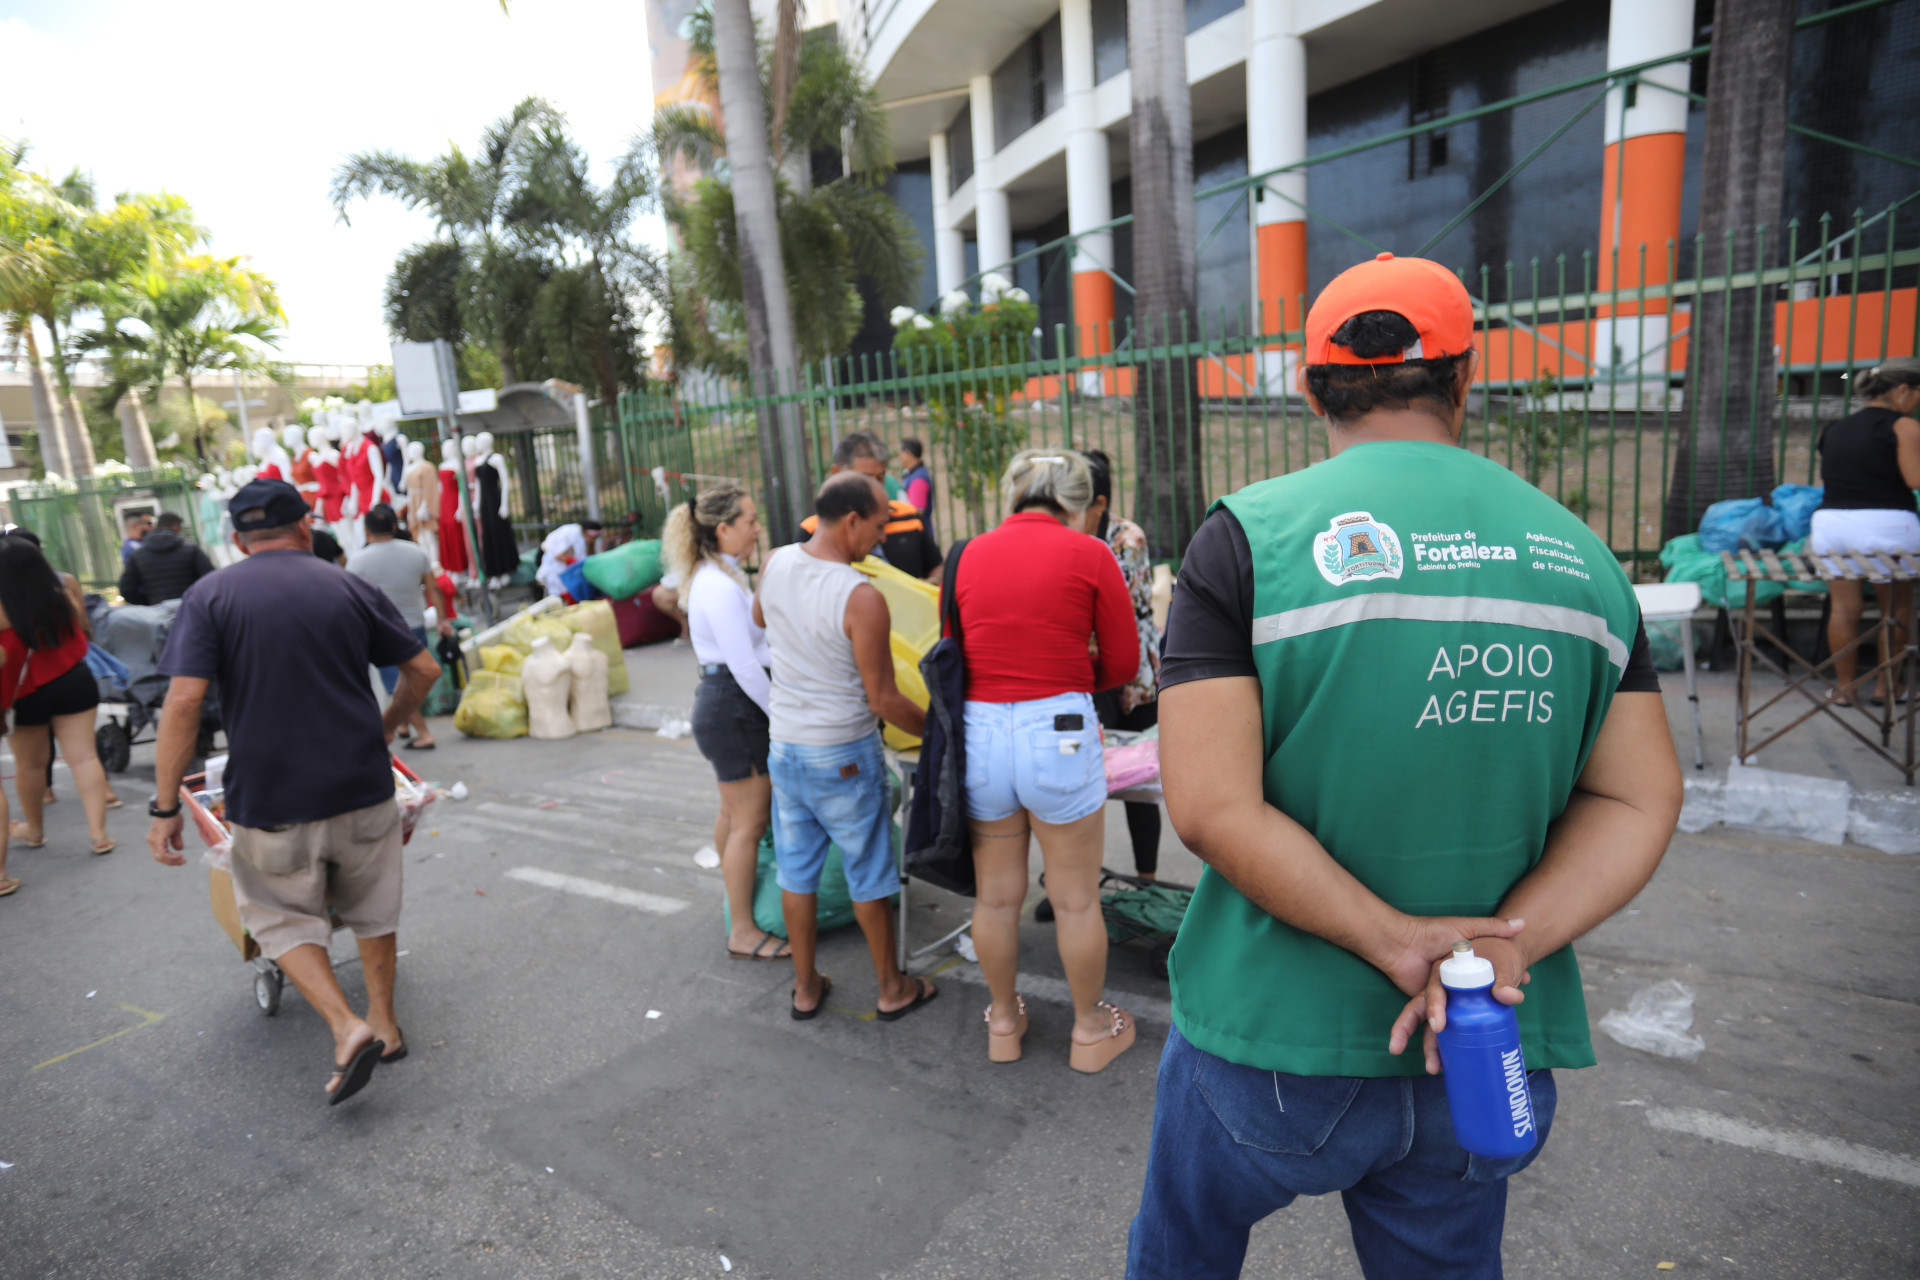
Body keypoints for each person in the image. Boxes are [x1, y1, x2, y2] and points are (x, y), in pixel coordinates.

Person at [1124, 254, 1683, 1279]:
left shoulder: (1249, 539)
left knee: (1181, 1253)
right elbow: (1641, 795)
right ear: (1466, 379)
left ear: (1309, 387)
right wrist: (1503, 948)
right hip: (1479, 1043)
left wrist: (1396, 943)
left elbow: (1207, 805)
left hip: (1269, 1041)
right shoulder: (1583, 559)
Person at [147, 479, 441, 1105]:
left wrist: (165, 805)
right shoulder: (348, 585)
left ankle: (345, 1025)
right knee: (373, 905)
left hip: (272, 797)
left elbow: (184, 702)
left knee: (279, 914)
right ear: (304, 527)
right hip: (362, 784)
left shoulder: (211, 596)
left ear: (235, 538)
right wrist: (386, 728)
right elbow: (424, 669)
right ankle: (384, 1024)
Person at [950, 450, 1141, 1070]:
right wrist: (1066, 663)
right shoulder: (1091, 553)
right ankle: (1089, 1031)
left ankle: (1002, 1022)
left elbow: (952, 647)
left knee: (996, 898)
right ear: (1079, 505)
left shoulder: (968, 552)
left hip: (982, 730)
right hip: (1057, 727)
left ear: (1015, 495)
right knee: (1076, 898)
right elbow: (1121, 662)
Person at [755, 472, 936, 1021]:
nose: (882, 538)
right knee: (868, 873)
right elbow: (883, 700)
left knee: (796, 871)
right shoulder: (860, 596)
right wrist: (940, 730)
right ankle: (891, 988)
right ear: (852, 519)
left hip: (785, 747)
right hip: (843, 755)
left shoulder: (776, 562)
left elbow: (762, 617)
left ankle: (805, 988)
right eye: (879, 525)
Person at [663, 483, 788, 962]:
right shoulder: (716, 584)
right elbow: (745, 666)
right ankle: (742, 928)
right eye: (750, 521)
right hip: (734, 706)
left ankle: (735, 904)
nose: (757, 529)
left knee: (733, 816)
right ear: (723, 528)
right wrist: (781, 716)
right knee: (748, 824)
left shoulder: (721, 573)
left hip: (728, 705)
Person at [0, 534, 118, 877]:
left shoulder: (4, 613)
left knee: (30, 765)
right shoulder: (60, 596)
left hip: (25, 694)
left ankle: (34, 831)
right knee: (84, 756)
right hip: (74, 678)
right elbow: (83, 631)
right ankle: (99, 834)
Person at [1810, 357, 1920, 707]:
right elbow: (1914, 480)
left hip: (1831, 526)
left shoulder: (1835, 429)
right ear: (1902, 390)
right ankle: (1887, 687)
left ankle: (1845, 689)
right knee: (1895, 607)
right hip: (1888, 527)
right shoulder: (1905, 427)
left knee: (1844, 609)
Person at [1085, 449, 1163, 881]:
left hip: (1133, 673)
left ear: (1098, 502)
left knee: (1138, 779)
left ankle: (1147, 880)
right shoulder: (1070, 532)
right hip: (1091, 671)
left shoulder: (1126, 537)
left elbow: (1116, 609)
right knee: (1084, 779)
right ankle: (1078, 879)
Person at [347, 504, 456, 750]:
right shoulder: (415, 552)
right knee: (409, 679)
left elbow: (352, 601)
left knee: (399, 686)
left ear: (367, 531)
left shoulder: (357, 561)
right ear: (394, 527)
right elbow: (433, 588)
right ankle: (404, 725)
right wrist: (442, 619)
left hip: (381, 631)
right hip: (415, 625)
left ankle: (424, 733)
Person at [797, 433, 943, 580]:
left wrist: (931, 582)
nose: (874, 488)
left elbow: (936, 565)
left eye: (880, 478)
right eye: (864, 479)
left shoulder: (909, 516)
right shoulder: (813, 531)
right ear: (836, 472)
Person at [117, 512, 216, 606]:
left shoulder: (138, 554)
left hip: (158, 611)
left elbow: (127, 589)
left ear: (157, 526)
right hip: (191, 607)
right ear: (177, 527)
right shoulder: (191, 549)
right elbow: (210, 579)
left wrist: (148, 604)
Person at [535, 519, 605, 598]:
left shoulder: (585, 537)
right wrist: (577, 563)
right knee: (561, 594)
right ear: (586, 532)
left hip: (566, 570)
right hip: (556, 568)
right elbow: (558, 555)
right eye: (593, 538)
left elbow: (590, 555)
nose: (593, 541)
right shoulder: (571, 534)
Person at [898, 438, 934, 532]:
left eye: (900, 453)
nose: (899, 457)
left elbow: (917, 512)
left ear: (907, 453)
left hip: (918, 535)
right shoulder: (912, 474)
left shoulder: (918, 479)